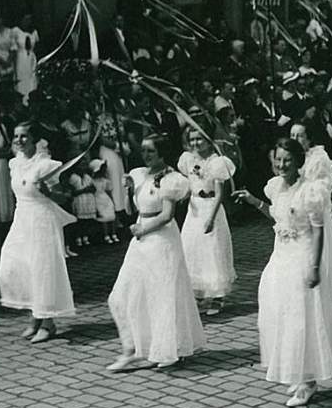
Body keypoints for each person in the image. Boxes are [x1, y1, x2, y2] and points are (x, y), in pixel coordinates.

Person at [234, 140, 332, 407]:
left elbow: (318, 231)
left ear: (298, 161)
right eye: (278, 160)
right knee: (280, 314)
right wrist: (254, 201)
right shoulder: (276, 187)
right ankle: (299, 370)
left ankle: (308, 380)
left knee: (301, 317)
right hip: (280, 257)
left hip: (301, 257)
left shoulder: (310, 191)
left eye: (287, 160)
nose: (281, 165)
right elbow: (279, 217)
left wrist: (314, 267)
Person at [106, 134, 206, 371]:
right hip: (140, 243)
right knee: (120, 295)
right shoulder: (139, 174)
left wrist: (143, 228)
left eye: (151, 151)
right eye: (143, 150)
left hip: (162, 241)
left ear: (162, 153)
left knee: (160, 296)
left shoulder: (172, 179)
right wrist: (130, 190)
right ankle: (131, 349)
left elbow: (167, 215)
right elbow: (133, 210)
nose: (146, 155)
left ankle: (163, 349)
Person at [0, 121, 76, 343]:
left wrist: (48, 192)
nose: (19, 141)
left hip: (42, 221)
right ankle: (35, 317)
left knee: (42, 269)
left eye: (24, 136)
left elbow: (65, 197)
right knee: (15, 264)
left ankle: (47, 322)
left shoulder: (47, 165)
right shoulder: (14, 163)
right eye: (16, 136)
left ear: (35, 140)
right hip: (22, 219)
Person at [178, 127, 237, 316]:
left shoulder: (217, 162)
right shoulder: (188, 159)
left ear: (208, 140)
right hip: (194, 209)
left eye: (199, 139)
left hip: (211, 207)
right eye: (192, 140)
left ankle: (218, 295)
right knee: (193, 248)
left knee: (213, 249)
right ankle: (199, 293)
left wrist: (211, 217)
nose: (196, 143)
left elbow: (220, 194)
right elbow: (190, 184)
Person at [66, 159, 97, 247]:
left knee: (87, 221)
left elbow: (93, 188)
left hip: (88, 200)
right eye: (81, 165)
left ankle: (85, 237)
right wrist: (84, 190)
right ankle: (78, 237)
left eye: (84, 166)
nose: (83, 168)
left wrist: (90, 189)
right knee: (80, 221)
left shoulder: (87, 177)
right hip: (79, 200)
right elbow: (72, 192)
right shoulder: (73, 177)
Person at [89, 159, 119, 244]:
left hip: (106, 199)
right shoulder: (92, 181)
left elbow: (108, 191)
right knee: (104, 217)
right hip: (97, 199)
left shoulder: (105, 180)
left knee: (111, 215)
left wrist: (112, 201)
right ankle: (106, 235)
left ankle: (113, 234)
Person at [11, 14, 40, 103]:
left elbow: (37, 48)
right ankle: (22, 102)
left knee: (32, 81)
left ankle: (31, 102)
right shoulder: (16, 31)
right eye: (25, 19)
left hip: (31, 59)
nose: (27, 22)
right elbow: (13, 49)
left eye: (29, 19)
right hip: (20, 59)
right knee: (21, 81)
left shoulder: (34, 32)